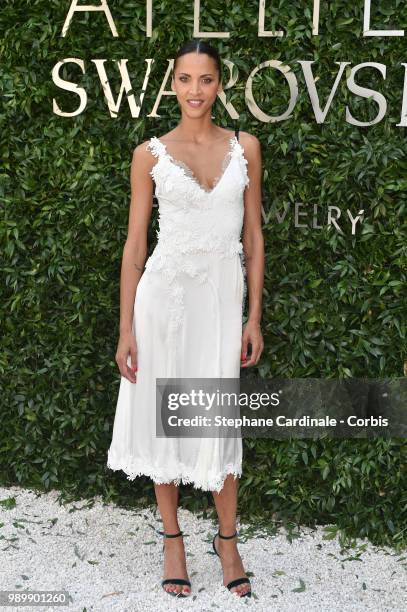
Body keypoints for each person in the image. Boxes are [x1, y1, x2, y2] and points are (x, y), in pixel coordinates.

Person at [107, 39, 264, 599]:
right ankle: (172, 538)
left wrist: (254, 318)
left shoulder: (245, 146)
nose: (195, 90)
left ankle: (227, 540)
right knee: (165, 415)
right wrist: (126, 327)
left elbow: (253, 236)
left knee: (218, 417)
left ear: (220, 84)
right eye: (185, 79)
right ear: (172, 83)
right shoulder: (149, 154)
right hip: (163, 300)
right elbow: (133, 245)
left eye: (206, 79)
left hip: (222, 302)